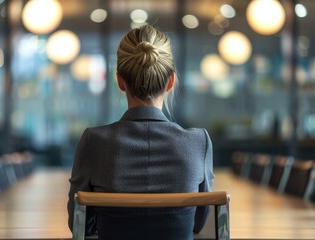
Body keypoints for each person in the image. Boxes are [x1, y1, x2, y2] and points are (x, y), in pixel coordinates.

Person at [68, 24, 214, 240]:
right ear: (171, 81)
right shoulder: (198, 142)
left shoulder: (94, 141)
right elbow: (198, 223)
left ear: (120, 81)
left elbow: (80, 224)